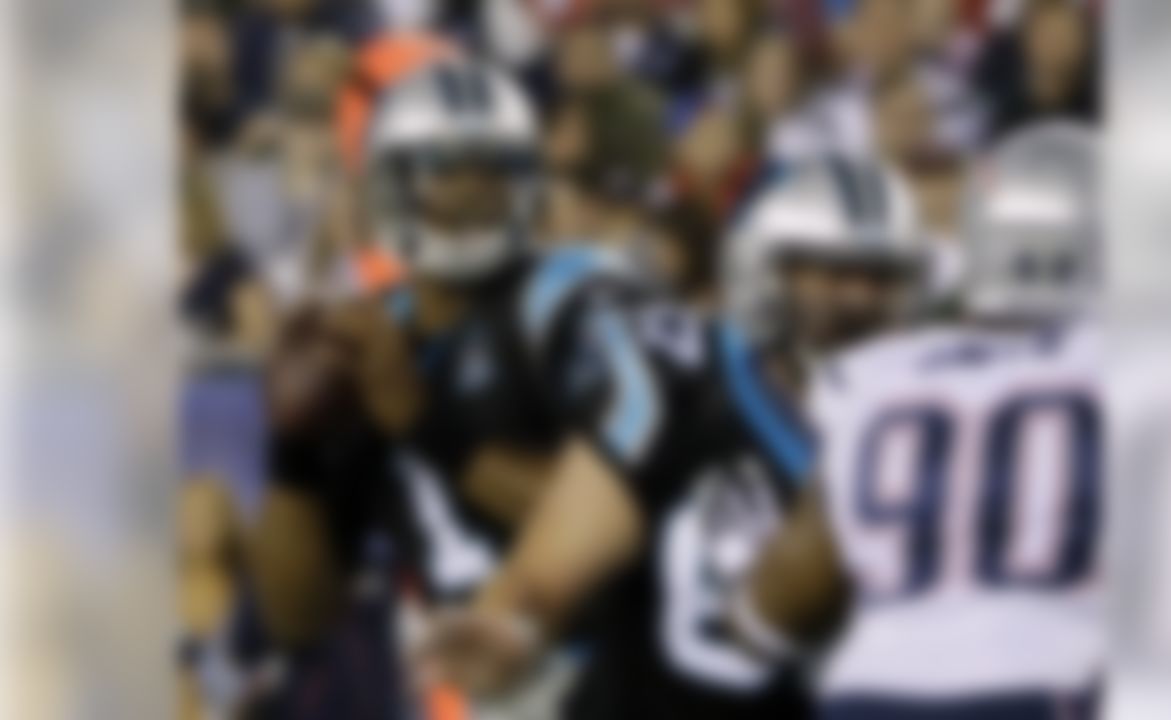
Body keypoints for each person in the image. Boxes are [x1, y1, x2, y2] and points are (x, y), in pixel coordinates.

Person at [252, 57, 811, 719]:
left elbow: (633, 503)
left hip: (609, 666)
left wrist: (426, 424)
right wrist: (294, 456)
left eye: (490, 173)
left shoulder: (575, 295)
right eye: (442, 173)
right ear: (385, 188)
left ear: (529, 185)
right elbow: (299, 618)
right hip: (467, 684)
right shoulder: (367, 339)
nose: (467, 197)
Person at [732, 122, 1104, 720]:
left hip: (874, 695)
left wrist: (750, 621)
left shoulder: (882, 376)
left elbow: (784, 598)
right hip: (1050, 685)